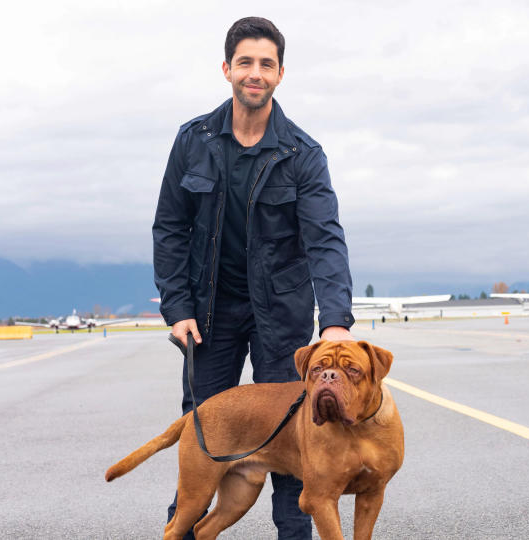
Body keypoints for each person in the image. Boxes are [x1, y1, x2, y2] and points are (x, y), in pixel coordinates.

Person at [151, 16, 355, 540]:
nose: (255, 73)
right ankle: (183, 531)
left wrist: (335, 322)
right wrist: (178, 309)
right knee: (204, 434)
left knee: (298, 435)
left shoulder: (303, 154)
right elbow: (170, 228)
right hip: (209, 316)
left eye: (267, 64)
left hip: (280, 315)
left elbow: (324, 238)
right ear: (227, 69)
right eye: (246, 62)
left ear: (280, 74)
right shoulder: (193, 140)